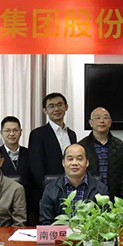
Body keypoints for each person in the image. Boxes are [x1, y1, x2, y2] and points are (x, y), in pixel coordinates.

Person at [29, 93, 78, 222]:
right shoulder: (37, 134)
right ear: (45, 110)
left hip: (71, 190)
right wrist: (50, 190)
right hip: (49, 193)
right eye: (51, 106)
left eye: (59, 105)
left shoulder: (72, 134)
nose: (56, 109)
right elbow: (36, 167)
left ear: (66, 107)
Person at [39, 143, 108, 225]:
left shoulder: (100, 189)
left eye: (79, 159)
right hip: (60, 233)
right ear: (63, 162)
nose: (74, 163)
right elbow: (45, 222)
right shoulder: (51, 189)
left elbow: (104, 222)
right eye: (70, 159)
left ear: (87, 162)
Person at [78, 107, 123, 199]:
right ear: (90, 123)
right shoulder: (81, 146)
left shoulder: (119, 145)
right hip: (88, 197)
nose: (101, 121)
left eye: (105, 117)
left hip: (115, 197)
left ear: (110, 122)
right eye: (97, 118)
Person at [0, 116, 33, 221]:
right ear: (1, 133)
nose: (12, 134)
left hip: (27, 204)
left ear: (21, 132)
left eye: (15, 130)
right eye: (7, 131)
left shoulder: (30, 153)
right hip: (1, 205)